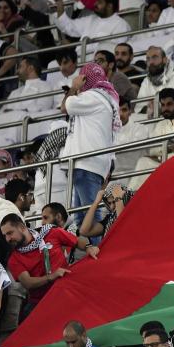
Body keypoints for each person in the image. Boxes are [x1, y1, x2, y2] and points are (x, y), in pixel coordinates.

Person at [0, 214, 97, 317]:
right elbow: (27, 282)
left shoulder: (51, 233)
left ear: (22, 227)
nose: (7, 239)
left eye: (10, 233)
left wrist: (88, 247)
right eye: (5, 235)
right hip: (40, 302)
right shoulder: (14, 259)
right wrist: (51, 276)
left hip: (67, 292)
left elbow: (76, 241)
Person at [60, 63, 120, 225]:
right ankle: (91, 249)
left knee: (90, 217)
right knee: (82, 218)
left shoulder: (93, 96)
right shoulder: (106, 99)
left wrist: (74, 87)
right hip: (92, 164)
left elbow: (65, 106)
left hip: (86, 164)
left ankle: (99, 249)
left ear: (84, 79)